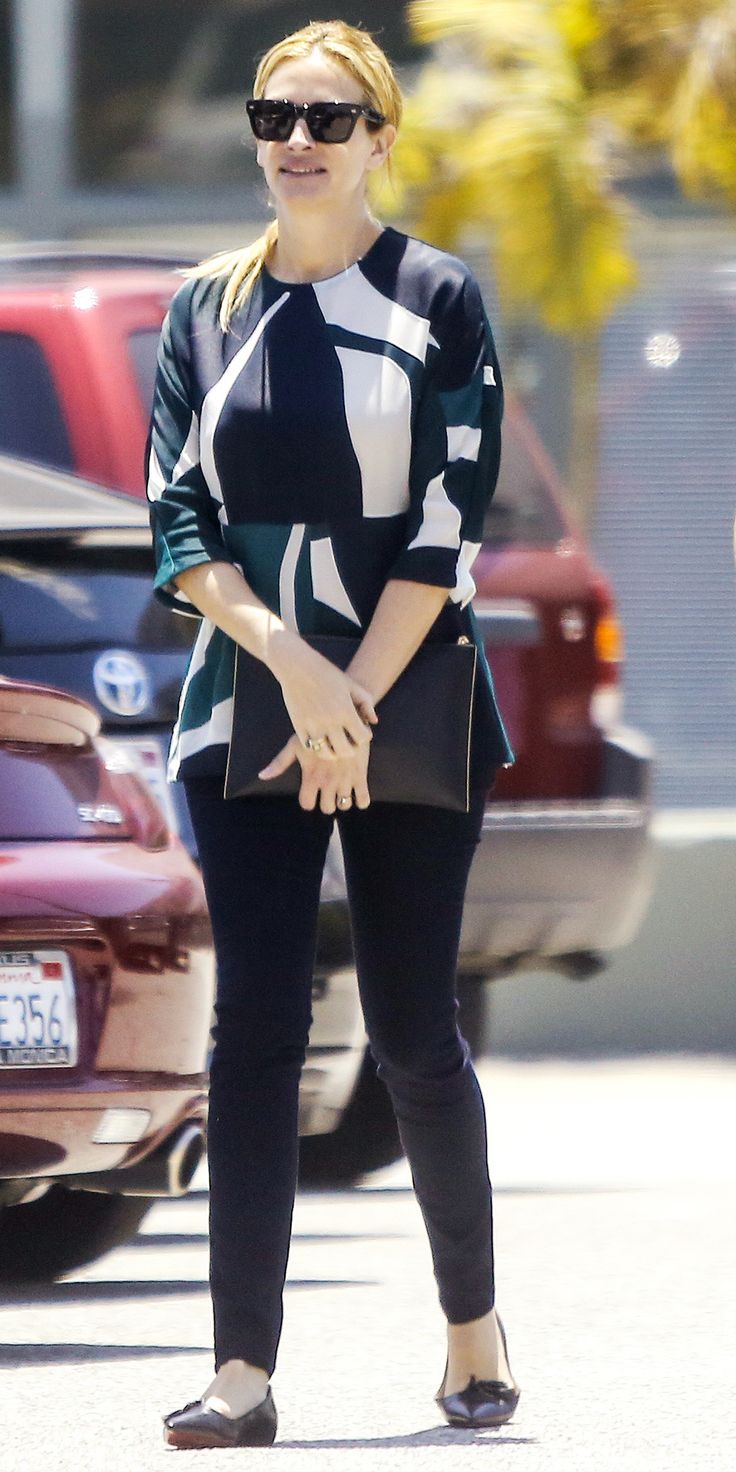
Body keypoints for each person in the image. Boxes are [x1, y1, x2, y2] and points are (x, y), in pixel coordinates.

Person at [147, 18, 518, 1450]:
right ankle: (241, 1374)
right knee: (255, 1033)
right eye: (272, 113)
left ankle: (474, 1331)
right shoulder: (199, 311)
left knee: (417, 1032)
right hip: (249, 702)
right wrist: (297, 671)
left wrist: (352, 693)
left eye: (326, 115)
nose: (293, 138)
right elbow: (180, 527)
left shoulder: (438, 298)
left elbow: (446, 524)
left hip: (411, 700)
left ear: (379, 135)